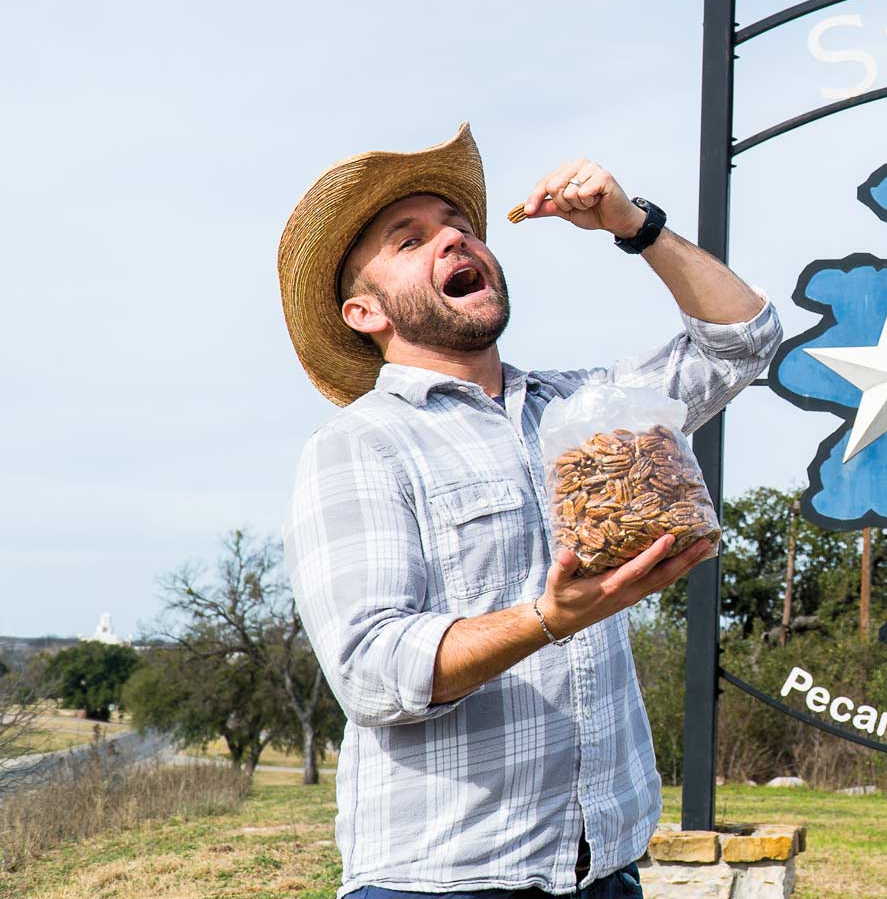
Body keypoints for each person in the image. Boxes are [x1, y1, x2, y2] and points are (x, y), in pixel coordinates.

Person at [277, 124, 779, 899]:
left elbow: (742, 343)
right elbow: (373, 672)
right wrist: (547, 618)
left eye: (462, 228)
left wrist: (633, 225)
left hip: (605, 870)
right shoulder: (360, 445)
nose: (452, 240)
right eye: (409, 240)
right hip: (441, 879)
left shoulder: (586, 411)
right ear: (363, 313)